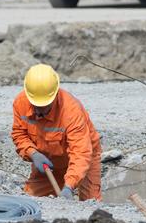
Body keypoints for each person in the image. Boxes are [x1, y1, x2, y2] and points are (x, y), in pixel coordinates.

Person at [11, 64, 102, 201]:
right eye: (36, 105)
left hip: (83, 156)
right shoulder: (21, 103)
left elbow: (80, 153)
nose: (39, 111)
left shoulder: (71, 111)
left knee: (91, 202)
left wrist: (69, 186)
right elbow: (19, 134)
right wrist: (33, 153)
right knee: (31, 201)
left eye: (44, 106)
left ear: (54, 95)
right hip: (48, 159)